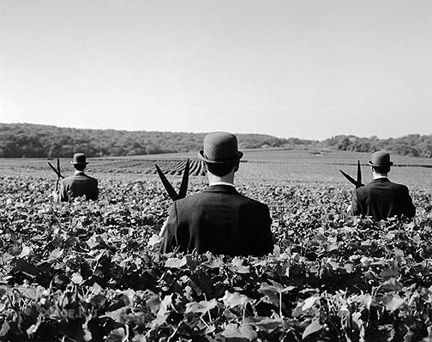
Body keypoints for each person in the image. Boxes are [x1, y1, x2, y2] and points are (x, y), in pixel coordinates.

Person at [160, 132, 274, 256]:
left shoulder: (181, 209)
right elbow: (268, 264)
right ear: (236, 166)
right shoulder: (259, 212)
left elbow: (165, 261)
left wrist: (160, 237)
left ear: (204, 166)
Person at [350, 151, 415, 220]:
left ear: (372, 169)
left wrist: (349, 210)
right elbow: (411, 213)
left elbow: (353, 217)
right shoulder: (401, 190)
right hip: (395, 230)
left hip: (368, 230)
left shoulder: (359, 192)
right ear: (389, 169)